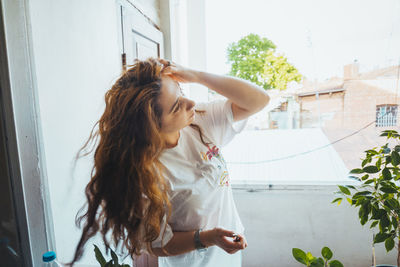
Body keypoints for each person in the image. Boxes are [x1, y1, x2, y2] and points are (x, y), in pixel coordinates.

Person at [67, 57, 270, 267]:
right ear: (151, 126)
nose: (190, 103)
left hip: (229, 258)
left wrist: (196, 75)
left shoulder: (198, 121)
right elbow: (156, 244)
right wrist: (209, 238)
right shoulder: (145, 172)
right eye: (176, 107)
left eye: (181, 91)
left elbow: (259, 100)